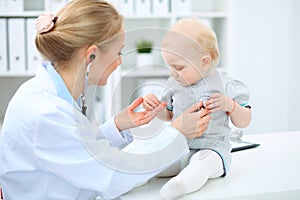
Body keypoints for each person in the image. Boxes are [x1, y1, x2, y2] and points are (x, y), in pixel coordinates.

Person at [0, 1, 211, 199]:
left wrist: (117, 126)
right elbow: (112, 174)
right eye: (118, 52)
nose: (120, 61)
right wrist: (176, 134)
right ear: (91, 56)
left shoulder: (47, 93)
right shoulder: (45, 113)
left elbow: (78, 152)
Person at [143, 18, 252, 200]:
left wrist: (231, 106)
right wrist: (155, 110)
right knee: (154, 165)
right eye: (169, 66)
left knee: (203, 164)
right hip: (180, 148)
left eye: (178, 67)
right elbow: (169, 115)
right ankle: (135, 178)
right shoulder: (174, 84)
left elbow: (245, 120)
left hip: (213, 149)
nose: (172, 73)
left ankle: (181, 185)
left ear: (204, 62)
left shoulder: (227, 85)